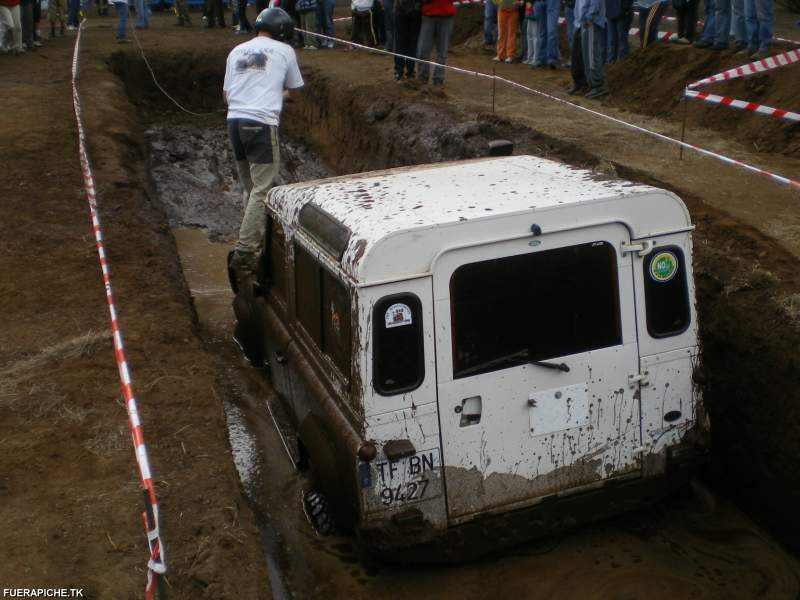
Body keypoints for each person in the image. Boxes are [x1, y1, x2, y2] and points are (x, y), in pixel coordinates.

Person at [224, 7, 304, 285]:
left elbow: (227, 95)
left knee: (251, 187)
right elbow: (295, 92)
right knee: (262, 189)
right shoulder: (285, 51)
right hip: (260, 124)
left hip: (234, 121)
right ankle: (246, 254)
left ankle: (256, 240)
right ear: (283, 31)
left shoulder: (236, 50)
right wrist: (275, 93)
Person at [574, 0, 607, 97]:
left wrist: (589, 17)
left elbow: (596, 3)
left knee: (591, 55)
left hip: (591, 22)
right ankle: (593, 84)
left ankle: (598, 85)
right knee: (588, 55)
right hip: (585, 22)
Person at [416, 0, 455, 83]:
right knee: (423, 50)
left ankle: (439, 79)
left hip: (446, 15)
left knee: (442, 51)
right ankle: (422, 77)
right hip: (429, 15)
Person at [393, 0, 421, 80]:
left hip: (415, 11)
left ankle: (410, 71)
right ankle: (399, 71)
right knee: (400, 43)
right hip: (401, 10)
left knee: (412, 44)